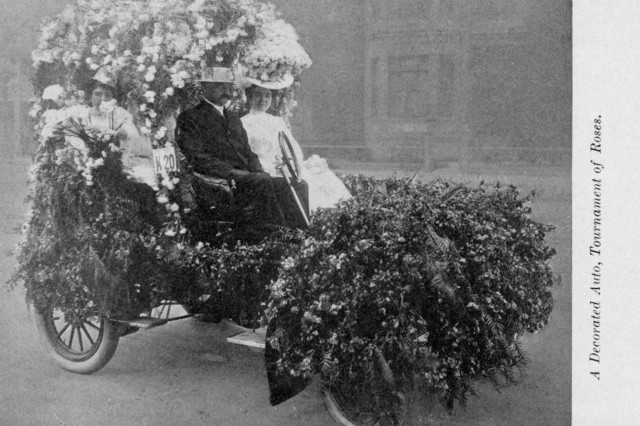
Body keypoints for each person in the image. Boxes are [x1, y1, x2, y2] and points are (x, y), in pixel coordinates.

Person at [175, 67, 308, 229]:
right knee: (263, 181)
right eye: (220, 86)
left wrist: (257, 169)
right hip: (223, 179)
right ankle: (280, 233)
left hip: (247, 177)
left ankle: (302, 232)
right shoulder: (190, 117)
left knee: (298, 184)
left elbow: (248, 152)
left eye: (229, 86)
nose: (227, 91)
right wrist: (231, 171)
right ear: (205, 87)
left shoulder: (233, 118)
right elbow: (196, 157)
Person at [240, 82, 351, 212]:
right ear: (249, 97)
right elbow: (247, 153)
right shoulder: (243, 123)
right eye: (258, 95)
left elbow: (293, 148)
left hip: (285, 166)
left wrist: (289, 161)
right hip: (264, 169)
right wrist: (269, 166)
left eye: (267, 95)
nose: (263, 100)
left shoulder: (277, 121)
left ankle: (326, 219)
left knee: (321, 179)